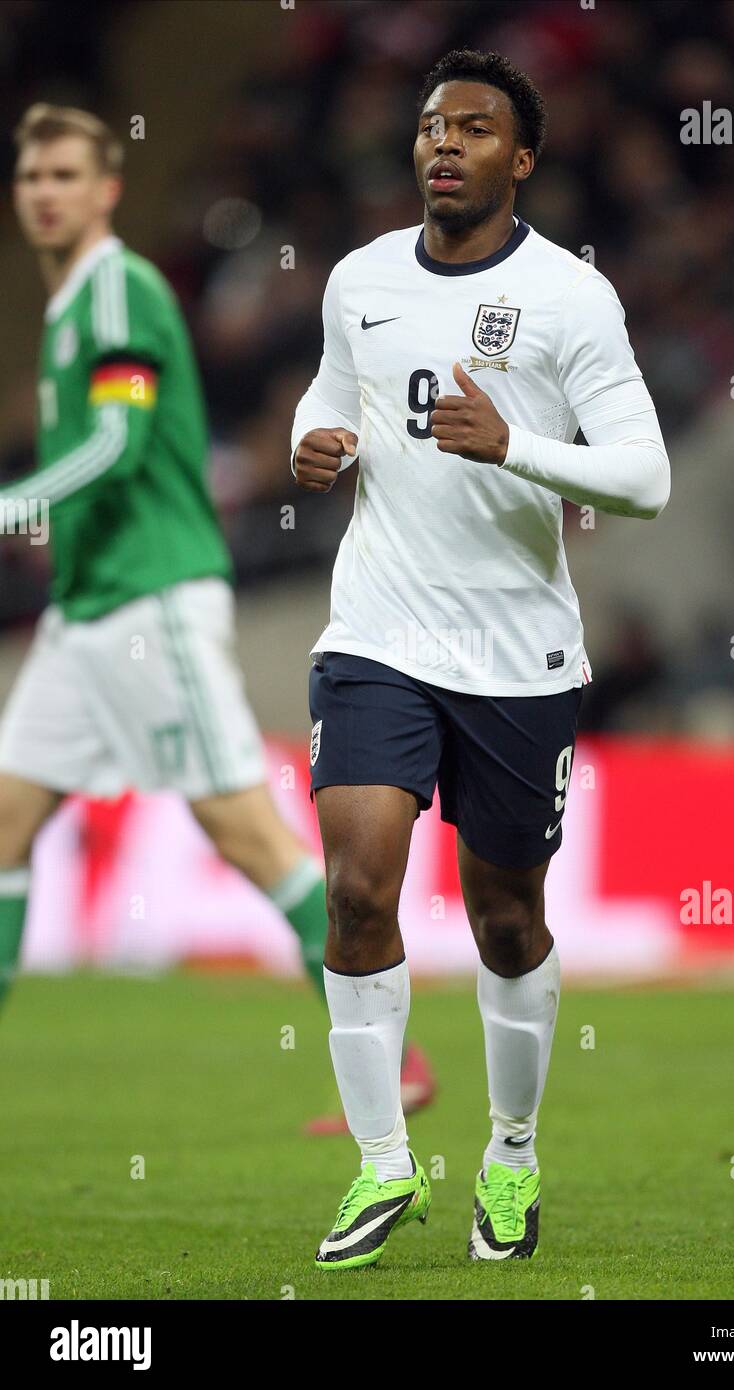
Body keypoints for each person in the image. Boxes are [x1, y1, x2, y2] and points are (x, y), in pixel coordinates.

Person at [291, 49, 670, 1268]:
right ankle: (379, 1164)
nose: (442, 142)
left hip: (515, 656)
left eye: (473, 127)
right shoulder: (358, 278)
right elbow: (325, 391)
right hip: (376, 634)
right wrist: (316, 440)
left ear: (523, 157)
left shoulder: (570, 299)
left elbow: (645, 478)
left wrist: (516, 447)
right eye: (428, 125)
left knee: (506, 920)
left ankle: (510, 1154)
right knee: (355, 889)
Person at [0, 102, 436, 1131]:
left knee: (245, 833)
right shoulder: (70, 312)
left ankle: (393, 1057)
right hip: (88, 611)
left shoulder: (120, 292)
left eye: (66, 174)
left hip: (154, 602)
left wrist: (15, 503)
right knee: (7, 825)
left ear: (107, 189)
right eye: (30, 178)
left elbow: (117, 439)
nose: (46, 192)